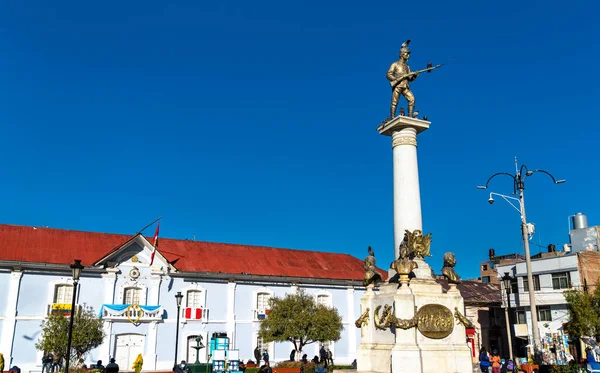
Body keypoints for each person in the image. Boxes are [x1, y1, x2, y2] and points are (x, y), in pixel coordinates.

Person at [386, 40, 417, 118]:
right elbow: (388, 74)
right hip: (397, 85)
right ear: (402, 54)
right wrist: (396, 79)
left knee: (412, 99)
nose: (408, 56)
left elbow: (410, 78)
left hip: (405, 86)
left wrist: (414, 75)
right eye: (407, 54)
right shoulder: (395, 64)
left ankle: (410, 116)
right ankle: (392, 117)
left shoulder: (407, 67)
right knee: (394, 102)